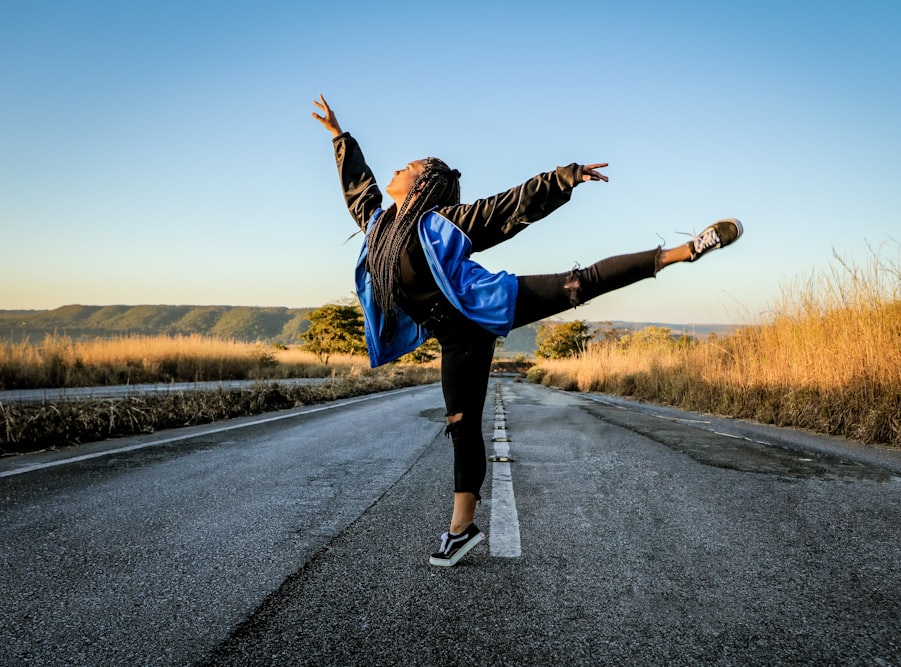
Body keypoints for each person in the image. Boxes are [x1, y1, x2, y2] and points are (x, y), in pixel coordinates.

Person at [311, 94, 742, 567]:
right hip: (456, 339)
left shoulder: (442, 223)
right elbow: (359, 187)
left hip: (490, 304)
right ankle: (461, 530)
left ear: (422, 184)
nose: (398, 168)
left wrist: (564, 178)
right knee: (460, 428)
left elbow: (507, 207)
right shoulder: (378, 225)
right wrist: (339, 136)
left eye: (408, 165)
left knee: (579, 285)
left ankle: (682, 251)